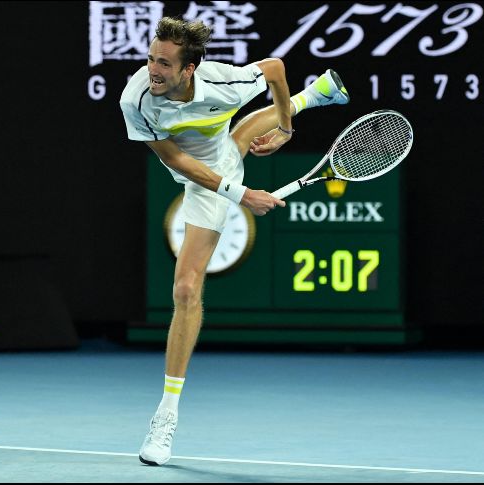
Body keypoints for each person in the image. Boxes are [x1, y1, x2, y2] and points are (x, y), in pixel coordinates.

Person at [119, 17, 349, 466]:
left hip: (213, 172)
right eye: (150, 58)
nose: (153, 69)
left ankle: (165, 415)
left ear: (189, 70)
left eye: (164, 63)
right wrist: (241, 194)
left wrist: (285, 126)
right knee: (234, 142)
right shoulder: (137, 99)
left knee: (185, 289)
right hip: (201, 170)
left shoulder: (225, 82)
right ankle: (318, 93)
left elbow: (276, 68)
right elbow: (177, 160)